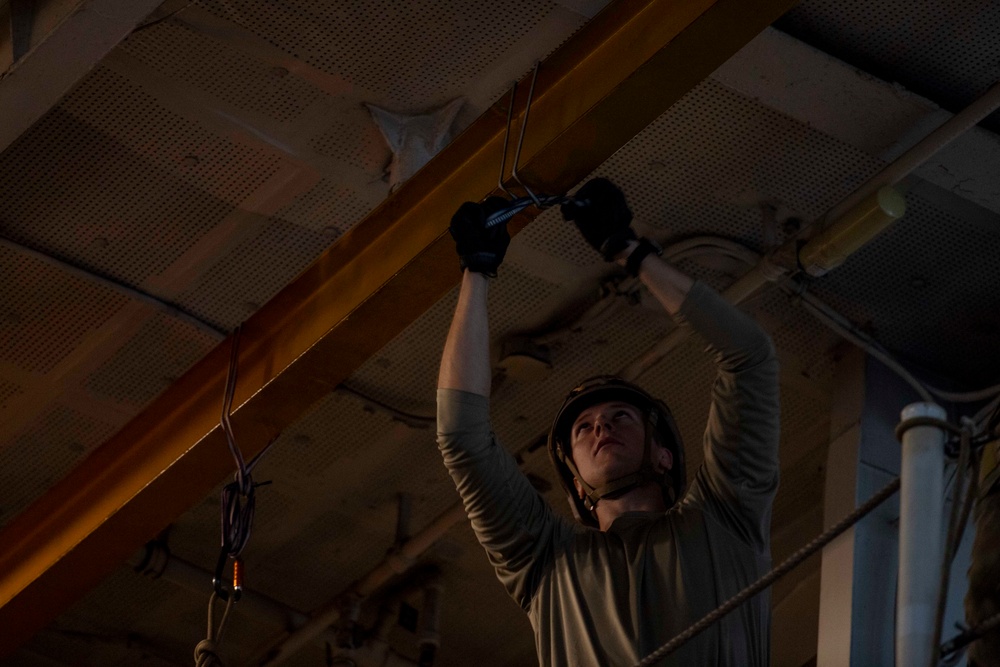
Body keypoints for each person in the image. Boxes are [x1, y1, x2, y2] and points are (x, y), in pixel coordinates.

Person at [436, 178, 780, 666]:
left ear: (663, 454)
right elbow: (461, 438)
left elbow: (750, 357)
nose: (601, 428)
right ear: (575, 486)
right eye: (583, 429)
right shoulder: (542, 562)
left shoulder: (724, 519)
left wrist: (630, 252)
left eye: (620, 416)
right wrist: (476, 271)